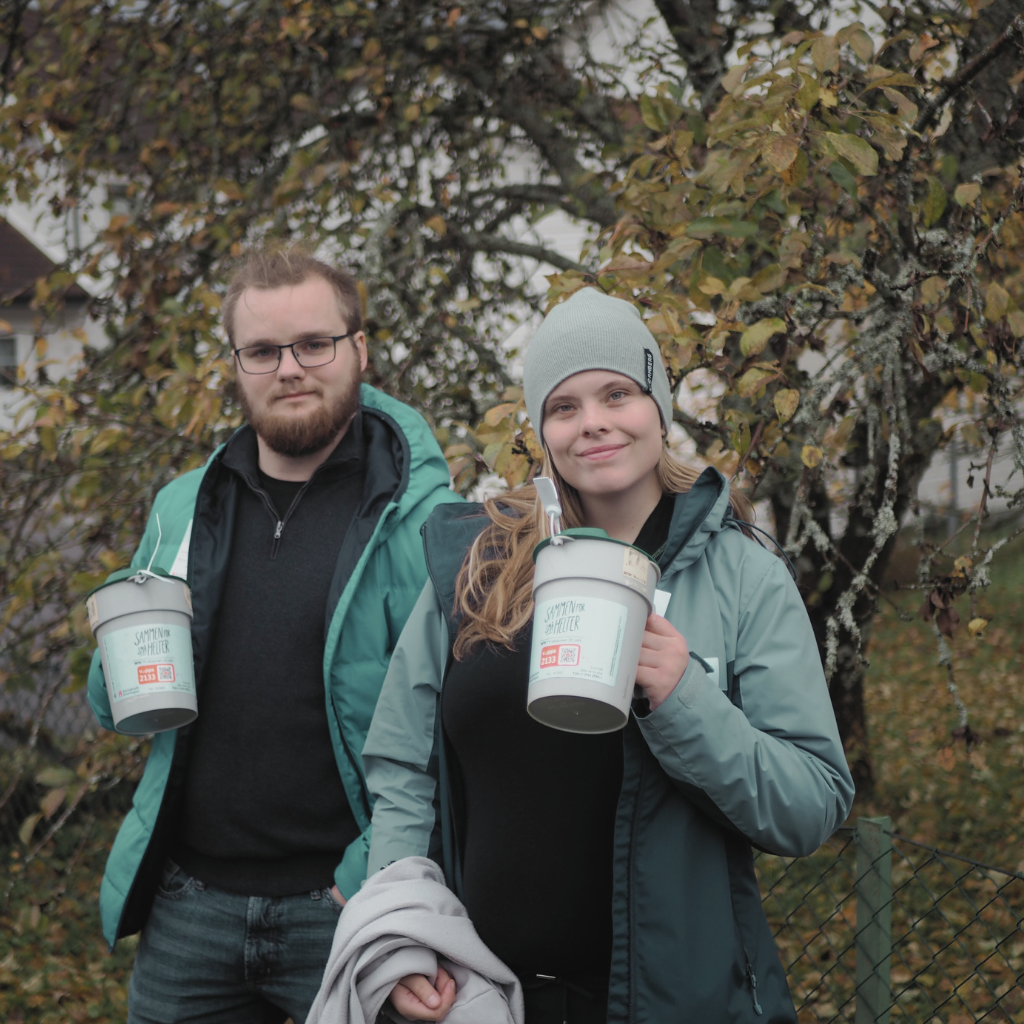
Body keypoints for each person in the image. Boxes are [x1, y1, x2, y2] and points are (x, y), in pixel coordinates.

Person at [360, 287, 856, 1024]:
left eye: (617, 394)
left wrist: (684, 698)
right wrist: (402, 934)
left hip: (670, 1003)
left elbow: (811, 805)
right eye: (564, 406)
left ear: (658, 406)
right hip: (483, 996)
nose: (592, 421)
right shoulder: (476, 564)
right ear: (542, 430)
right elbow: (404, 767)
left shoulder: (744, 576)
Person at [86, 247, 461, 1024]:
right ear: (236, 365)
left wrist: (368, 873)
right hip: (190, 907)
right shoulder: (185, 503)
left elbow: (451, 725)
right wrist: (119, 644)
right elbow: (117, 706)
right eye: (262, 350)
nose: (289, 369)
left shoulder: (421, 518)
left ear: (360, 349)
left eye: (313, 344)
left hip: (346, 902)